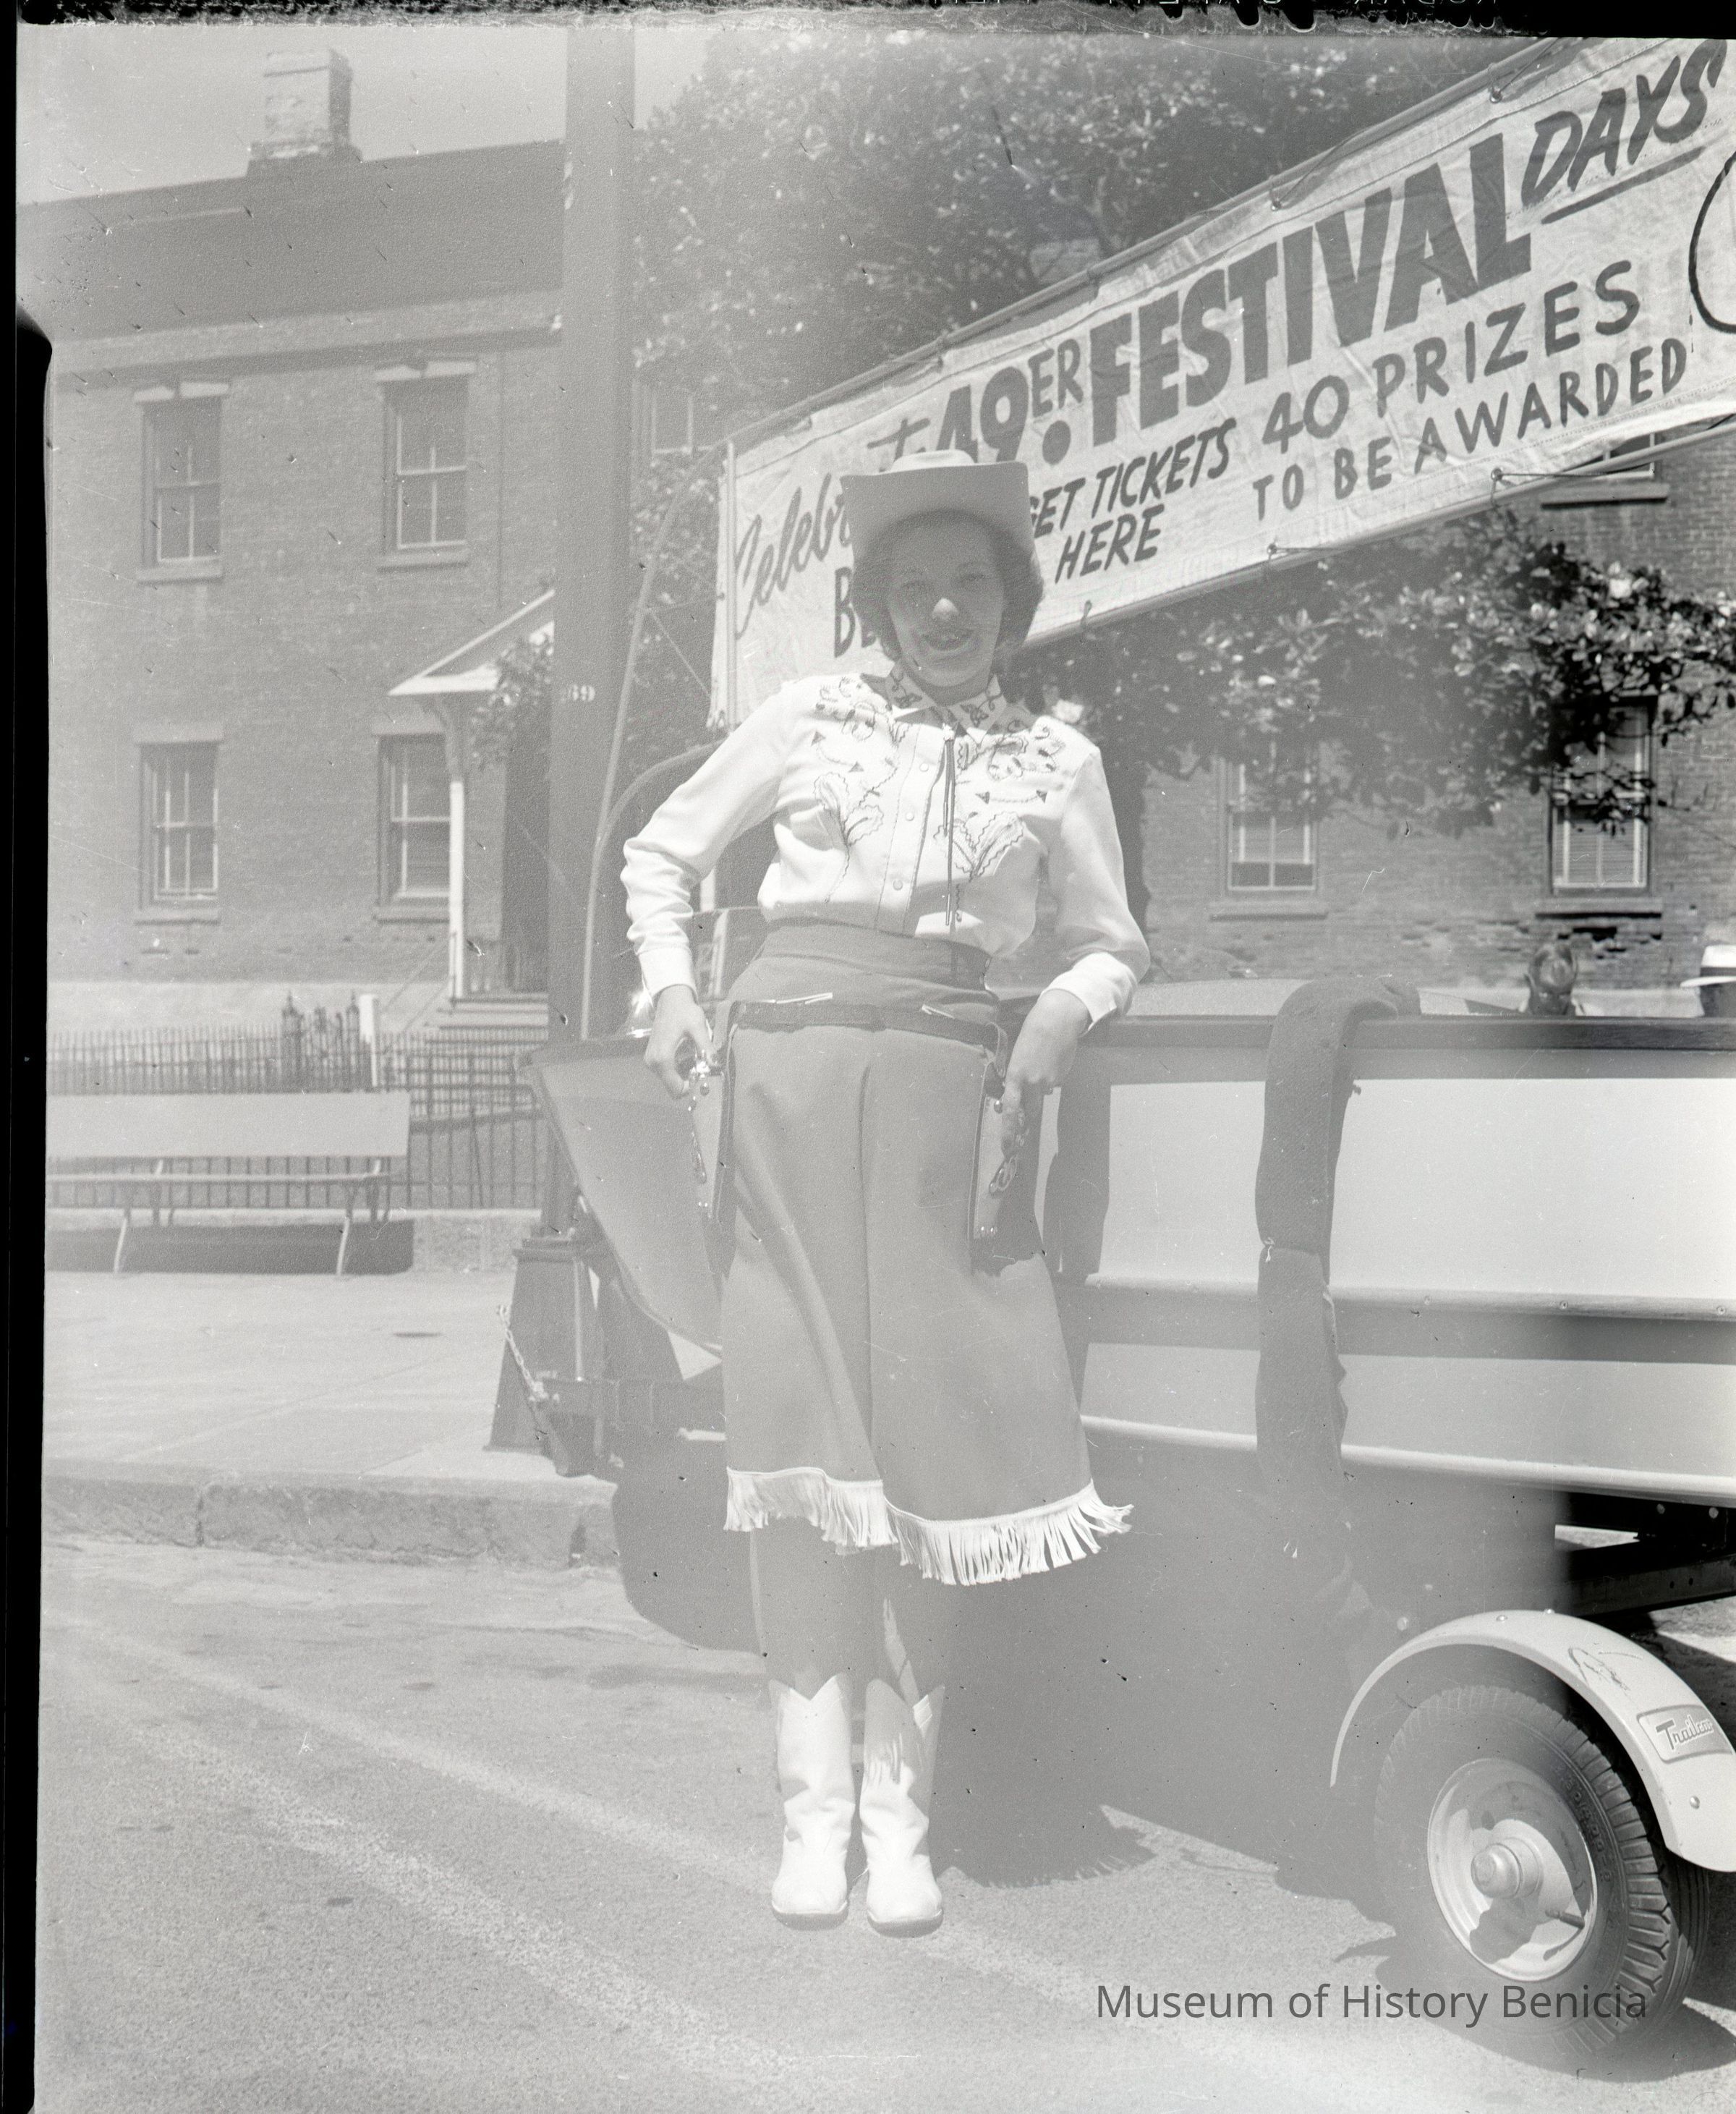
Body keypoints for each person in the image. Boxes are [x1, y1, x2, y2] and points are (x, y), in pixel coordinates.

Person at [621, 449, 1149, 1937]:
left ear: (1011, 603)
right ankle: (811, 1824)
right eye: (916, 589)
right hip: (785, 1095)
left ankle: (901, 1827)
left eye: (970, 585)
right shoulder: (808, 720)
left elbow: (1113, 941)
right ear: (878, 605)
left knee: (933, 1465)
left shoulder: (1058, 762)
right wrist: (671, 991)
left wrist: (1058, 1017)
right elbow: (660, 855)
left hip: (946, 1115)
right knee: (803, 1455)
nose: (944, 611)